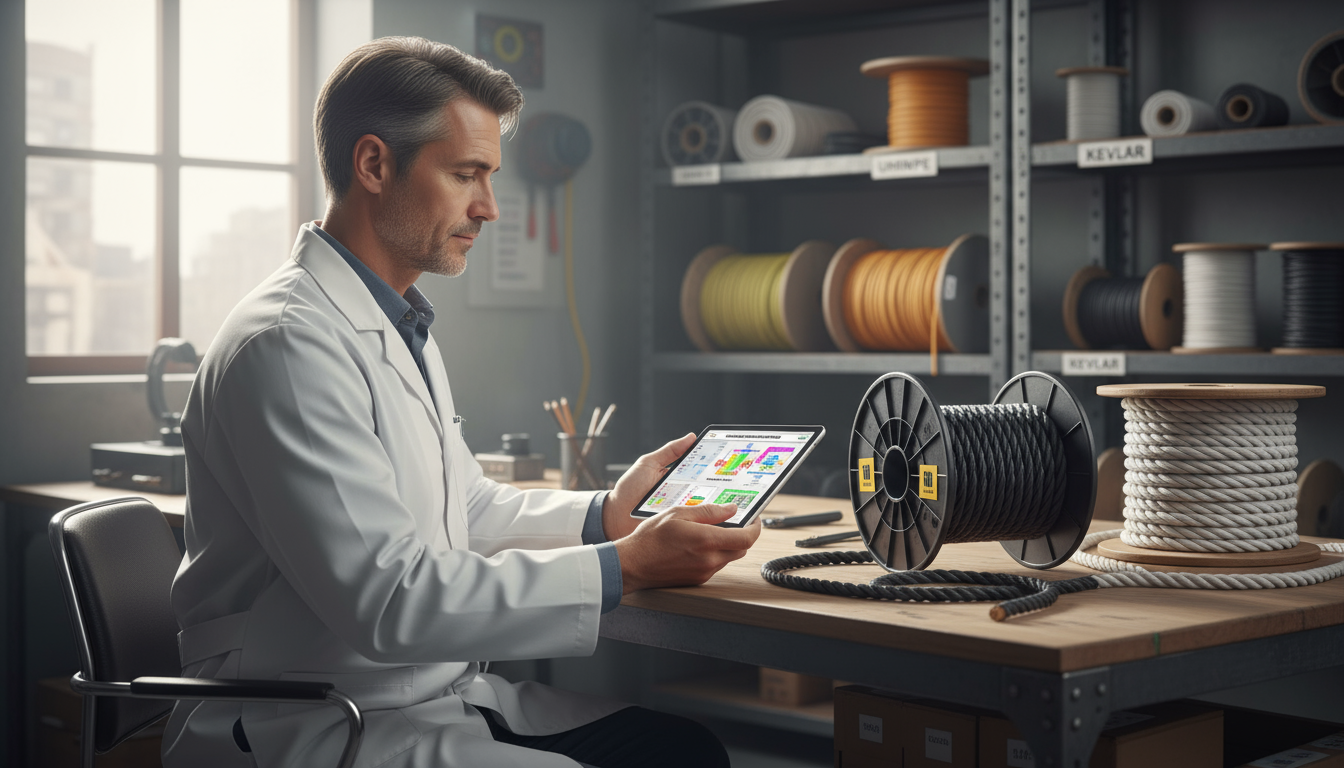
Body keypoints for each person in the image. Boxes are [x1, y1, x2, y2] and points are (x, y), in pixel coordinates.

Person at [164, 36, 760, 768]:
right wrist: (624, 566)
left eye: (489, 177)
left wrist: (606, 515)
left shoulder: (392, 318)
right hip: (311, 721)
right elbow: (391, 599)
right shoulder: (287, 344)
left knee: (681, 750)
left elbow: (464, 511)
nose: (489, 208)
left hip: (417, 699)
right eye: (464, 174)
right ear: (374, 164)